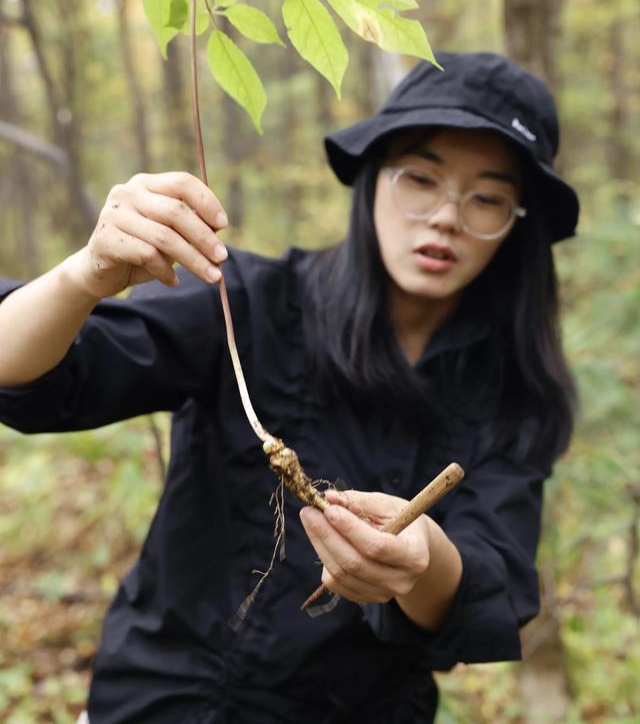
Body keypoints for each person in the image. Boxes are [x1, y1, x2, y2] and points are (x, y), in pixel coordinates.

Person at [0, 51, 579, 724]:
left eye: (487, 197)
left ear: (518, 223)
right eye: (420, 179)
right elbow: (28, 373)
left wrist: (420, 564)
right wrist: (84, 276)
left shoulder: (514, 395)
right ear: (372, 179)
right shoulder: (249, 305)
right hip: (160, 702)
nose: (447, 216)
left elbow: (489, 580)